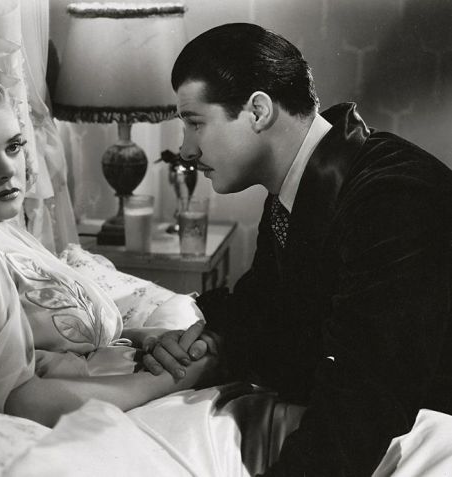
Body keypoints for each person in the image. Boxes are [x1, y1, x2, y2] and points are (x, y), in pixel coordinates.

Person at [143, 22, 452, 476]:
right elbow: (270, 305)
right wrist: (207, 338)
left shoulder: (393, 198)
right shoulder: (301, 185)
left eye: (194, 123)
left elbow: (363, 403)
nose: (186, 150)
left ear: (258, 111)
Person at [0, 68, 216, 428]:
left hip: (134, 388)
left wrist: (155, 341)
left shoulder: (4, 231)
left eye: (13, 146)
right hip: (111, 415)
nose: (7, 170)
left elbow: (69, 348)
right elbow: (21, 400)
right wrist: (172, 379)